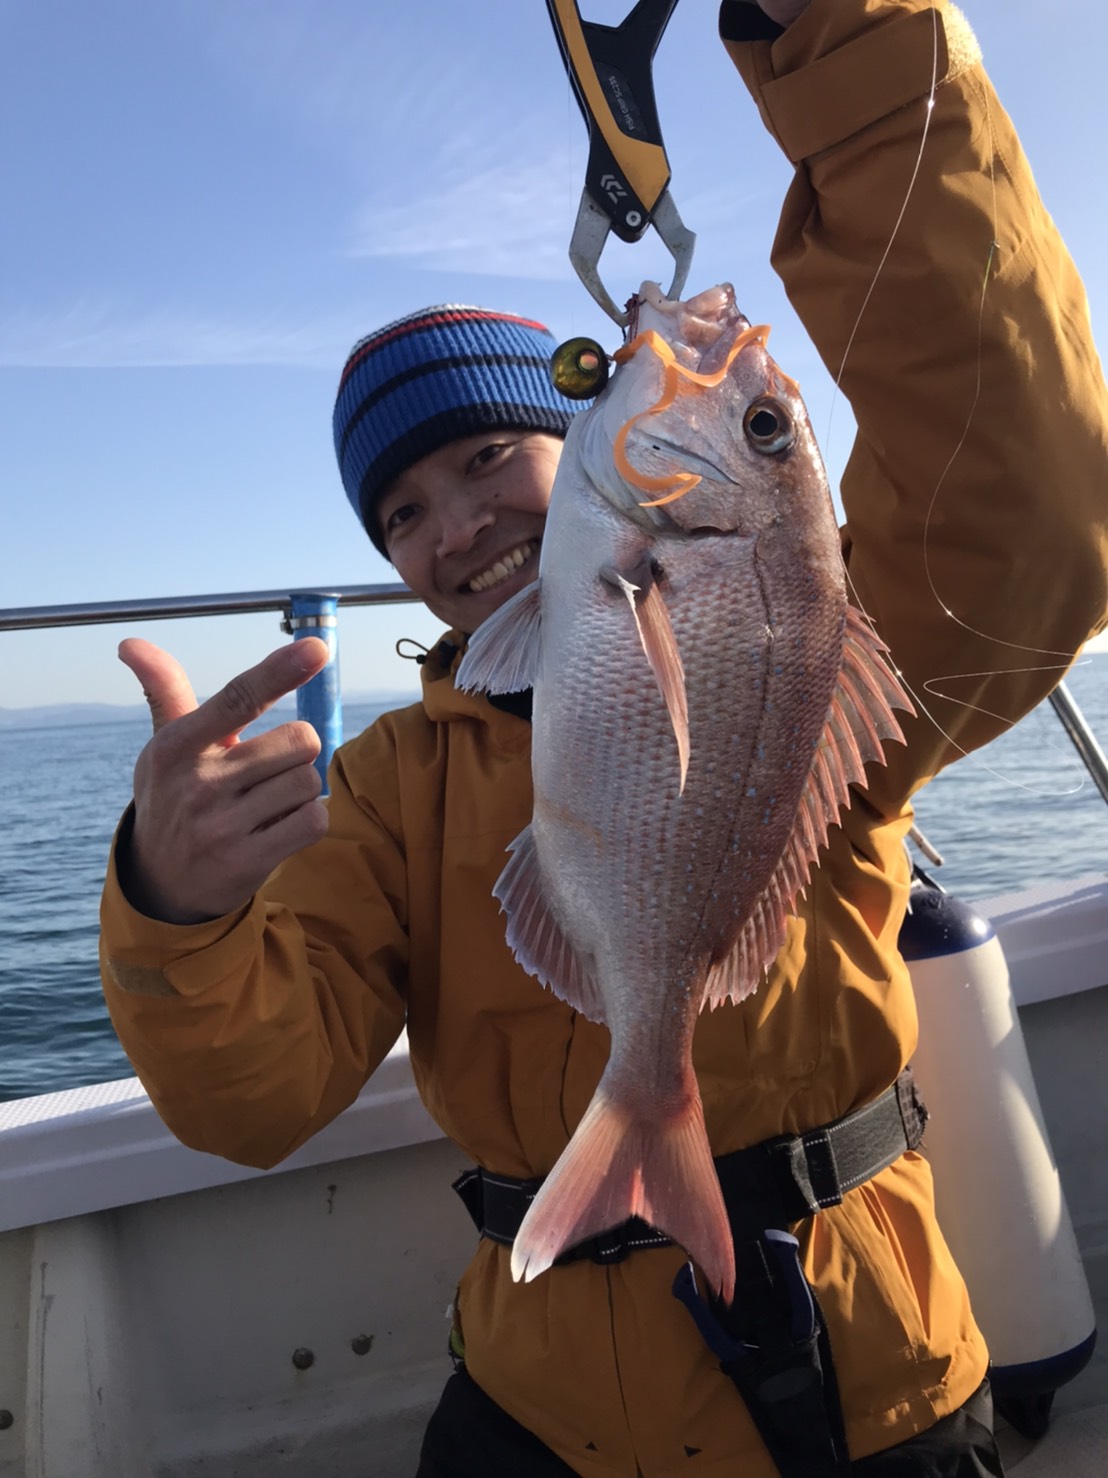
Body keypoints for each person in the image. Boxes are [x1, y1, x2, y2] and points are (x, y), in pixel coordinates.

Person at [99, 1, 1108, 1474]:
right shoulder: (387, 788)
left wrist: (844, 34)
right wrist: (172, 908)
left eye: (486, 457)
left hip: (860, 1366)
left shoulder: (821, 651)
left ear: (579, 447)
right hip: (538, 1400)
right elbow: (256, 1099)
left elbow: (1028, 494)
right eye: (403, 513)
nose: (453, 529)